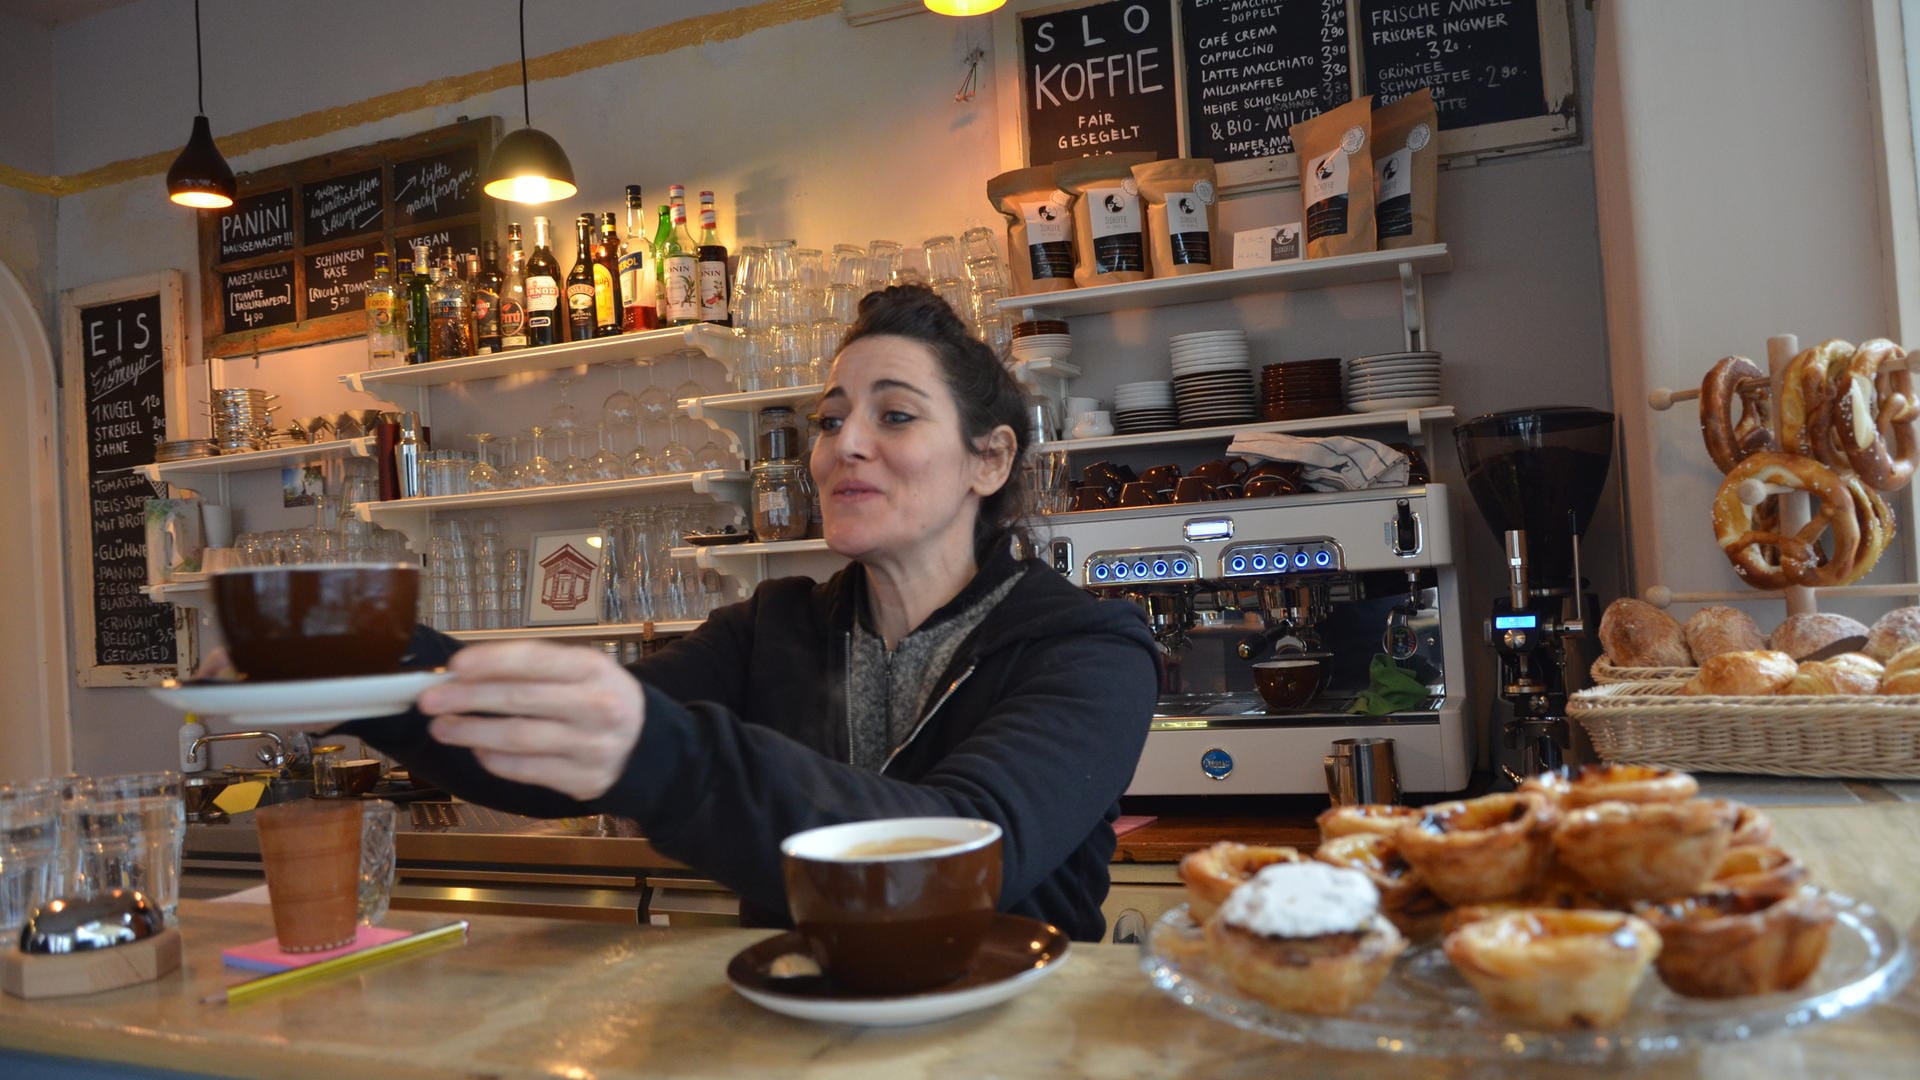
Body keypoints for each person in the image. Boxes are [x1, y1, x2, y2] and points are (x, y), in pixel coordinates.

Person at [345, 285, 1159, 941]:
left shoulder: (1088, 651)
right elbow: (546, 750)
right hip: (790, 1035)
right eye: (830, 420)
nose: (845, 444)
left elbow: (963, 852)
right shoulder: (769, 628)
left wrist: (660, 753)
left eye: (895, 415)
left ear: (991, 458)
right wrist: (342, 654)